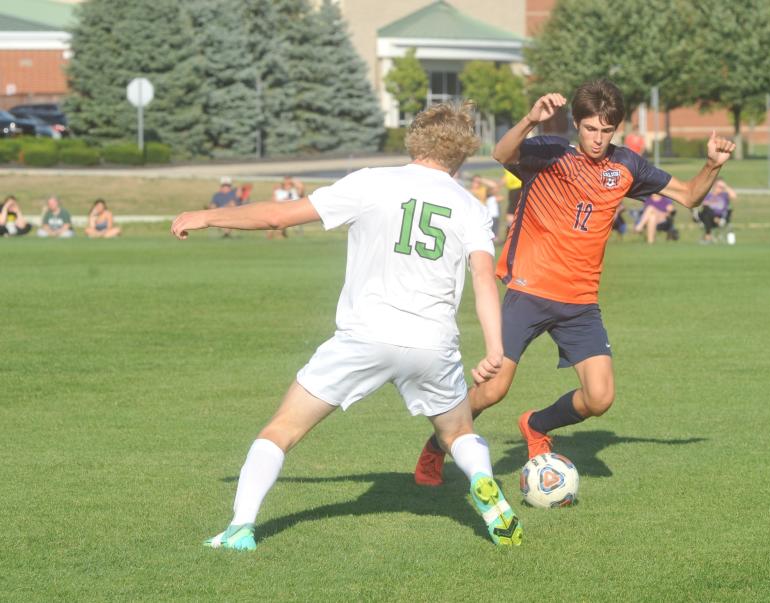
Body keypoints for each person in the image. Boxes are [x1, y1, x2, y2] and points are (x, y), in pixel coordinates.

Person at [171, 101, 522, 551]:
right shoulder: (470, 207)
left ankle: (240, 527)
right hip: (433, 343)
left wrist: (207, 216)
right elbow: (482, 277)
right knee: (456, 433)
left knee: (282, 429)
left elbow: (278, 216)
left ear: (414, 138)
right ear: (462, 151)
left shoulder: (372, 182)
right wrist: (494, 347)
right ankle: (483, 483)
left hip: (365, 336)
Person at [413, 79, 735, 484]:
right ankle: (436, 445)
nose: (598, 139)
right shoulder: (549, 153)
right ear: (577, 125)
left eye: (606, 131)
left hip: (580, 302)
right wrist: (531, 119)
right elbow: (501, 153)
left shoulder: (626, 166)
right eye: (590, 128)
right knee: (493, 391)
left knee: (600, 398)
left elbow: (689, 196)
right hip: (529, 292)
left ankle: (536, 425)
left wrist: (713, 164)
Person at [698, 179, 737, 243]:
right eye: (719, 186)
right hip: (708, 218)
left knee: (707, 212)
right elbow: (702, 204)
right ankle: (714, 220)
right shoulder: (708, 195)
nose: (720, 188)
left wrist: (725, 186)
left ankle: (708, 235)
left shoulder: (724, 195)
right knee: (706, 209)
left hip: (721, 218)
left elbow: (734, 196)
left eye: (721, 187)